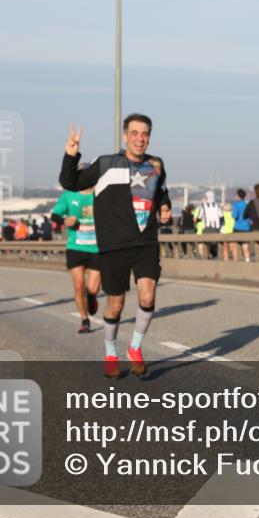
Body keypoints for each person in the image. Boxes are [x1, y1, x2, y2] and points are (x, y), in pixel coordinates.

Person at [60, 114, 172, 379]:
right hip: (114, 245)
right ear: (125, 136)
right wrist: (70, 156)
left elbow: (161, 191)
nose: (140, 138)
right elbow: (71, 183)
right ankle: (111, 353)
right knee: (116, 305)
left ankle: (135, 348)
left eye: (144, 134)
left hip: (146, 242)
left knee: (147, 296)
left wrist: (165, 207)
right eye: (134, 133)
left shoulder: (156, 165)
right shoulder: (107, 164)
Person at [51, 179, 102, 333]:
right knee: (79, 285)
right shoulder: (68, 196)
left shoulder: (101, 195)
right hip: (75, 247)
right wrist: (65, 220)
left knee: (92, 289)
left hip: (97, 248)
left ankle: (92, 298)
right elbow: (55, 215)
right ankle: (84, 320)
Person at [196, 191, 223, 259]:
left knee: (206, 245)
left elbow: (199, 217)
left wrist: (196, 221)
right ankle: (215, 257)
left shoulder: (203, 206)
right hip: (216, 229)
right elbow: (221, 217)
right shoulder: (217, 205)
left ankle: (207, 259)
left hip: (207, 228)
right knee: (214, 245)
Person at [231, 189, 252, 261]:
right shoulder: (247, 204)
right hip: (246, 227)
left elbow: (234, 216)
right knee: (245, 245)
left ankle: (235, 261)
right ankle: (247, 259)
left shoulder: (236, 205)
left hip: (237, 227)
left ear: (238, 196)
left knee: (234, 246)